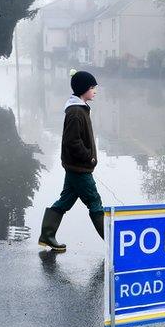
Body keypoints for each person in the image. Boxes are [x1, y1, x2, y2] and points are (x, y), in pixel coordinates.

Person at [38, 70, 104, 252]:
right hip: (79, 168)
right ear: (84, 89)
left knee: (65, 200)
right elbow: (72, 141)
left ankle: (47, 235)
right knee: (94, 202)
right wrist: (88, 157)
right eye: (92, 88)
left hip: (75, 167)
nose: (95, 91)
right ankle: (114, 243)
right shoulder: (76, 112)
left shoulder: (80, 108)